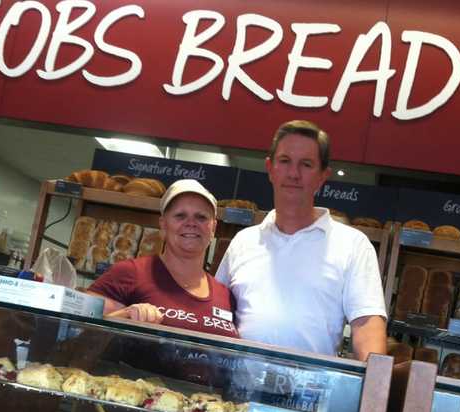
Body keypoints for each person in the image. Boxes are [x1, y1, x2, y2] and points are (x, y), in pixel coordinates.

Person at [215, 120, 387, 360]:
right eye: (285, 161)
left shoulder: (353, 246)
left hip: (311, 394)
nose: (294, 174)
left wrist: (374, 391)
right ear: (270, 168)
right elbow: (217, 312)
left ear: (322, 176)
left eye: (306, 165)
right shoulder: (244, 242)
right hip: (237, 391)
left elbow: (367, 327)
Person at [88, 179, 238, 339]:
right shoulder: (129, 273)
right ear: (163, 225)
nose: (191, 223)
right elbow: (79, 335)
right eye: (180, 216)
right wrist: (125, 316)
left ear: (213, 228)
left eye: (201, 217)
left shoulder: (225, 295)